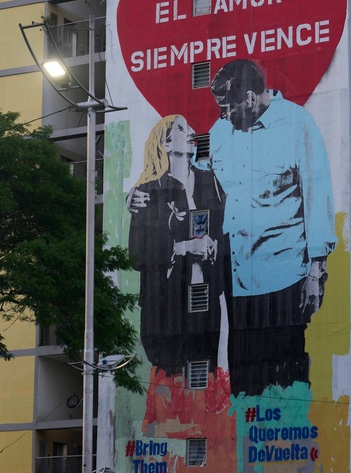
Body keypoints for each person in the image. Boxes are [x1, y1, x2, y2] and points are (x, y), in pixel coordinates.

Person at [200, 59, 335, 396]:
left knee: (286, 372)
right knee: (243, 376)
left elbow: (318, 196)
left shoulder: (297, 124)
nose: (223, 115)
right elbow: (198, 174)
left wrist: (317, 270)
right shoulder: (221, 131)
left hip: (285, 273)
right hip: (238, 275)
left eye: (227, 107)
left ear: (248, 98)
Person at [128, 115, 228, 377]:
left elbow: (226, 230)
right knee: (170, 377)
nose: (193, 130)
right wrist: (183, 247)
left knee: (204, 373)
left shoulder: (210, 181)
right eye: (183, 128)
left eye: (190, 125)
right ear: (167, 144)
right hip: (164, 302)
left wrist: (213, 244)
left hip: (206, 300)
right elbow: (137, 254)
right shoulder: (148, 191)